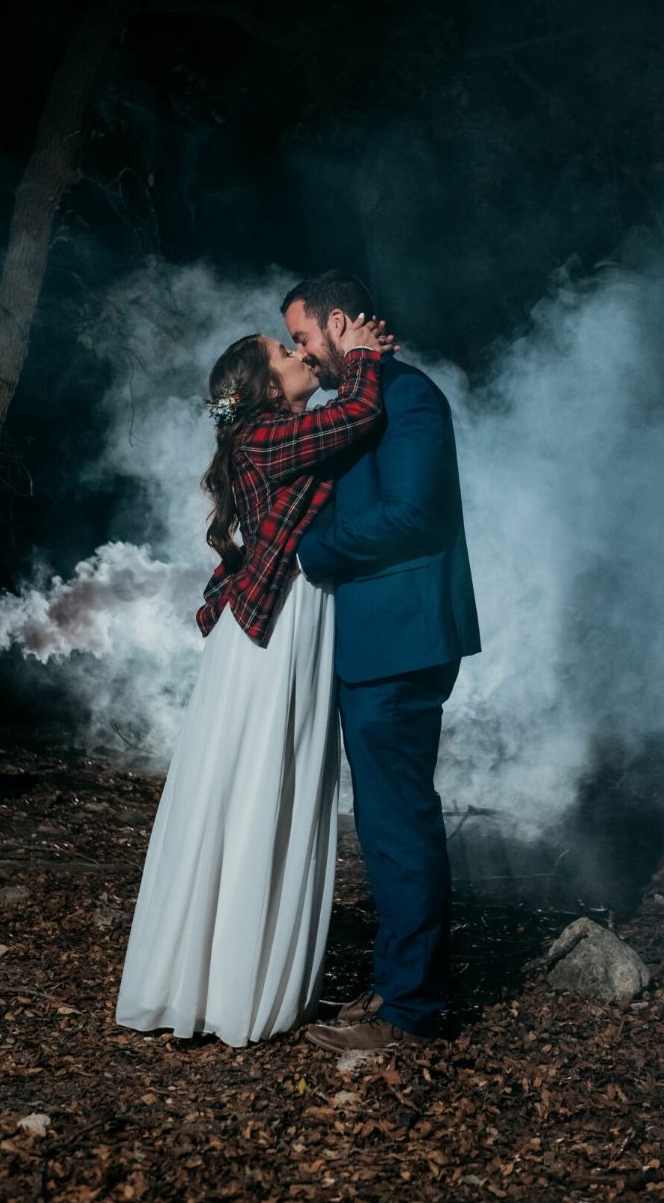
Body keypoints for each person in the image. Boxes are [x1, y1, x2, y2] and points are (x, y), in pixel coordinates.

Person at [114, 310, 390, 1046]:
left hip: (281, 622)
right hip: (272, 629)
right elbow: (359, 414)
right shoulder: (265, 436)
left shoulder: (266, 435)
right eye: (283, 349)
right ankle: (231, 991)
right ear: (267, 386)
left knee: (260, 784)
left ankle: (222, 980)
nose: (298, 351)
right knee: (259, 782)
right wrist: (360, 354)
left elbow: (340, 429)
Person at [282, 270, 481, 1051]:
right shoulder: (353, 404)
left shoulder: (411, 395)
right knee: (382, 821)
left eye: (303, 337)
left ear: (336, 323)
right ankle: (396, 990)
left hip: (401, 641)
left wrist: (307, 554)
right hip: (369, 644)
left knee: (399, 823)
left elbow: (412, 514)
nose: (302, 352)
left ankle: (411, 1014)